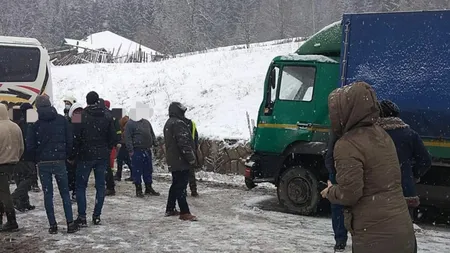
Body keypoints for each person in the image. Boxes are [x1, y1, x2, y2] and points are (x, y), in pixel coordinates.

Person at [321, 82, 416, 253]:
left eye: (335, 111)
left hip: (375, 238)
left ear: (346, 111)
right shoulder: (382, 135)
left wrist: (330, 191)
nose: (332, 116)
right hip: (402, 232)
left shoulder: (347, 144)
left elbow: (350, 194)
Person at [27, 95, 79, 234]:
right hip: (59, 161)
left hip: (43, 162)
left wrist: (35, 158)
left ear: (37, 106)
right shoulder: (61, 120)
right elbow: (70, 140)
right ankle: (70, 222)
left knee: (48, 194)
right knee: (64, 193)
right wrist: (66, 155)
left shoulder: (34, 121)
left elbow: (30, 144)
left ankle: (53, 225)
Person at [377, 100, 432, 220]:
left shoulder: (372, 135)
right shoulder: (410, 134)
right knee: (404, 230)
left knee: (378, 232)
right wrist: (412, 174)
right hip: (404, 190)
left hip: (376, 191)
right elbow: (425, 160)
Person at [72, 91, 117, 226]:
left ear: (86, 101)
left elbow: (74, 137)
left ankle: (82, 216)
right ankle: (97, 215)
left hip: (84, 156)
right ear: (98, 101)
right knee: (100, 186)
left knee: (80, 186)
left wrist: (73, 154)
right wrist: (106, 149)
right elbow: (113, 137)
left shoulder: (79, 116)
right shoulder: (108, 115)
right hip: (101, 156)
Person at [163, 102, 197, 221]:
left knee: (175, 184)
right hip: (181, 161)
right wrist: (191, 158)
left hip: (174, 160)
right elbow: (184, 144)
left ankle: (170, 208)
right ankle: (184, 212)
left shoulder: (169, 123)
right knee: (181, 186)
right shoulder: (178, 124)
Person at [125, 109, 160, 197]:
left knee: (148, 169)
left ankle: (148, 187)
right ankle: (138, 189)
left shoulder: (146, 122)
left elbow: (152, 133)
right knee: (137, 170)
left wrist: (155, 143)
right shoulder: (130, 124)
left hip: (147, 149)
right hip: (137, 150)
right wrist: (130, 150)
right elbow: (128, 137)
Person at [0, 103, 23, 232]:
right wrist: (15, 158)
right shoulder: (16, 127)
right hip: (12, 164)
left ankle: (11, 221)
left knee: (4, 194)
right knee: (2, 191)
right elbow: (21, 147)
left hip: (1, 164)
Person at [324, 130, 347, 252]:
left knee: (337, 205)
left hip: (338, 171)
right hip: (352, 171)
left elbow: (330, 153)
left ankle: (340, 241)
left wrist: (332, 170)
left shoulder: (339, 127)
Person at [11, 103, 37, 212]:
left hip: (18, 154)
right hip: (27, 155)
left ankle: (24, 203)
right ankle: (15, 196)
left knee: (20, 178)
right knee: (30, 178)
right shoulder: (30, 123)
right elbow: (31, 140)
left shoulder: (18, 123)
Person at [100, 99, 120, 196]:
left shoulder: (86, 114)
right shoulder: (111, 115)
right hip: (107, 146)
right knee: (107, 166)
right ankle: (109, 186)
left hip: (99, 147)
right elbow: (115, 130)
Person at [67, 102, 84, 202]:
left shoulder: (72, 124)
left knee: (74, 175)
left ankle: (75, 191)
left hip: (77, 154)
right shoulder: (82, 122)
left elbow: (74, 139)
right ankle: (75, 192)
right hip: (79, 154)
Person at [184, 117, 199, 197]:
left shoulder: (178, 124)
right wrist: (194, 149)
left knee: (182, 172)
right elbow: (196, 137)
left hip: (182, 151)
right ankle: (194, 190)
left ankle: (183, 190)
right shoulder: (192, 123)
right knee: (191, 172)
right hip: (191, 150)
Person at [115, 116, 133, 181]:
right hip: (126, 145)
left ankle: (118, 175)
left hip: (124, 145)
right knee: (126, 160)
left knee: (120, 160)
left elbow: (124, 138)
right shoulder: (129, 127)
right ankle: (133, 174)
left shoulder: (125, 129)